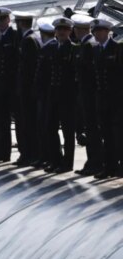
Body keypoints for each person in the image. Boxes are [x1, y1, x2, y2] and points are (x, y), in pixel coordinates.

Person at [43, 17, 77, 173]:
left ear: (70, 31)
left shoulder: (73, 49)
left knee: (68, 131)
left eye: (65, 29)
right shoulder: (51, 48)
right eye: (59, 29)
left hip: (67, 96)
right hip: (52, 94)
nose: (62, 32)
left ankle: (67, 163)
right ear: (55, 31)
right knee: (50, 128)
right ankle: (55, 159)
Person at [90, 18, 121, 179]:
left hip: (116, 99)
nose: (97, 34)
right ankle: (108, 167)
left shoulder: (117, 48)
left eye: (100, 31)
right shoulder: (96, 50)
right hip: (102, 99)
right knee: (106, 134)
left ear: (107, 32)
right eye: (95, 31)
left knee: (118, 134)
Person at [72, 14, 102, 176]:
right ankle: (93, 162)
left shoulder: (88, 46)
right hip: (88, 94)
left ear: (78, 30)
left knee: (91, 130)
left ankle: (94, 163)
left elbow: (89, 73)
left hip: (88, 95)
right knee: (91, 129)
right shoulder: (89, 44)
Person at [0, 7, 19, 163]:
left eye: (2, 19)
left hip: (11, 85)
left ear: (8, 19)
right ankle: (1, 151)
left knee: (14, 120)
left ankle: (8, 152)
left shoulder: (14, 36)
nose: (0, 22)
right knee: (0, 120)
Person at [14, 11, 41, 167]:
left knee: (27, 123)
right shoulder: (35, 38)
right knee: (30, 122)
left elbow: (26, 68)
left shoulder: (27, 41)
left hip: (26, 90)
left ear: (20, 24)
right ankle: (32, 154)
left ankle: (29, 154)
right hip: (30, 89)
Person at [33, 21, 56, 168]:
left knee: (46, 127)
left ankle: (48, 156)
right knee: (43, 126)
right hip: (44, 94)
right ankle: (45, 156)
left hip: (46, 94)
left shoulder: (49, 49)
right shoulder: (48, 48)